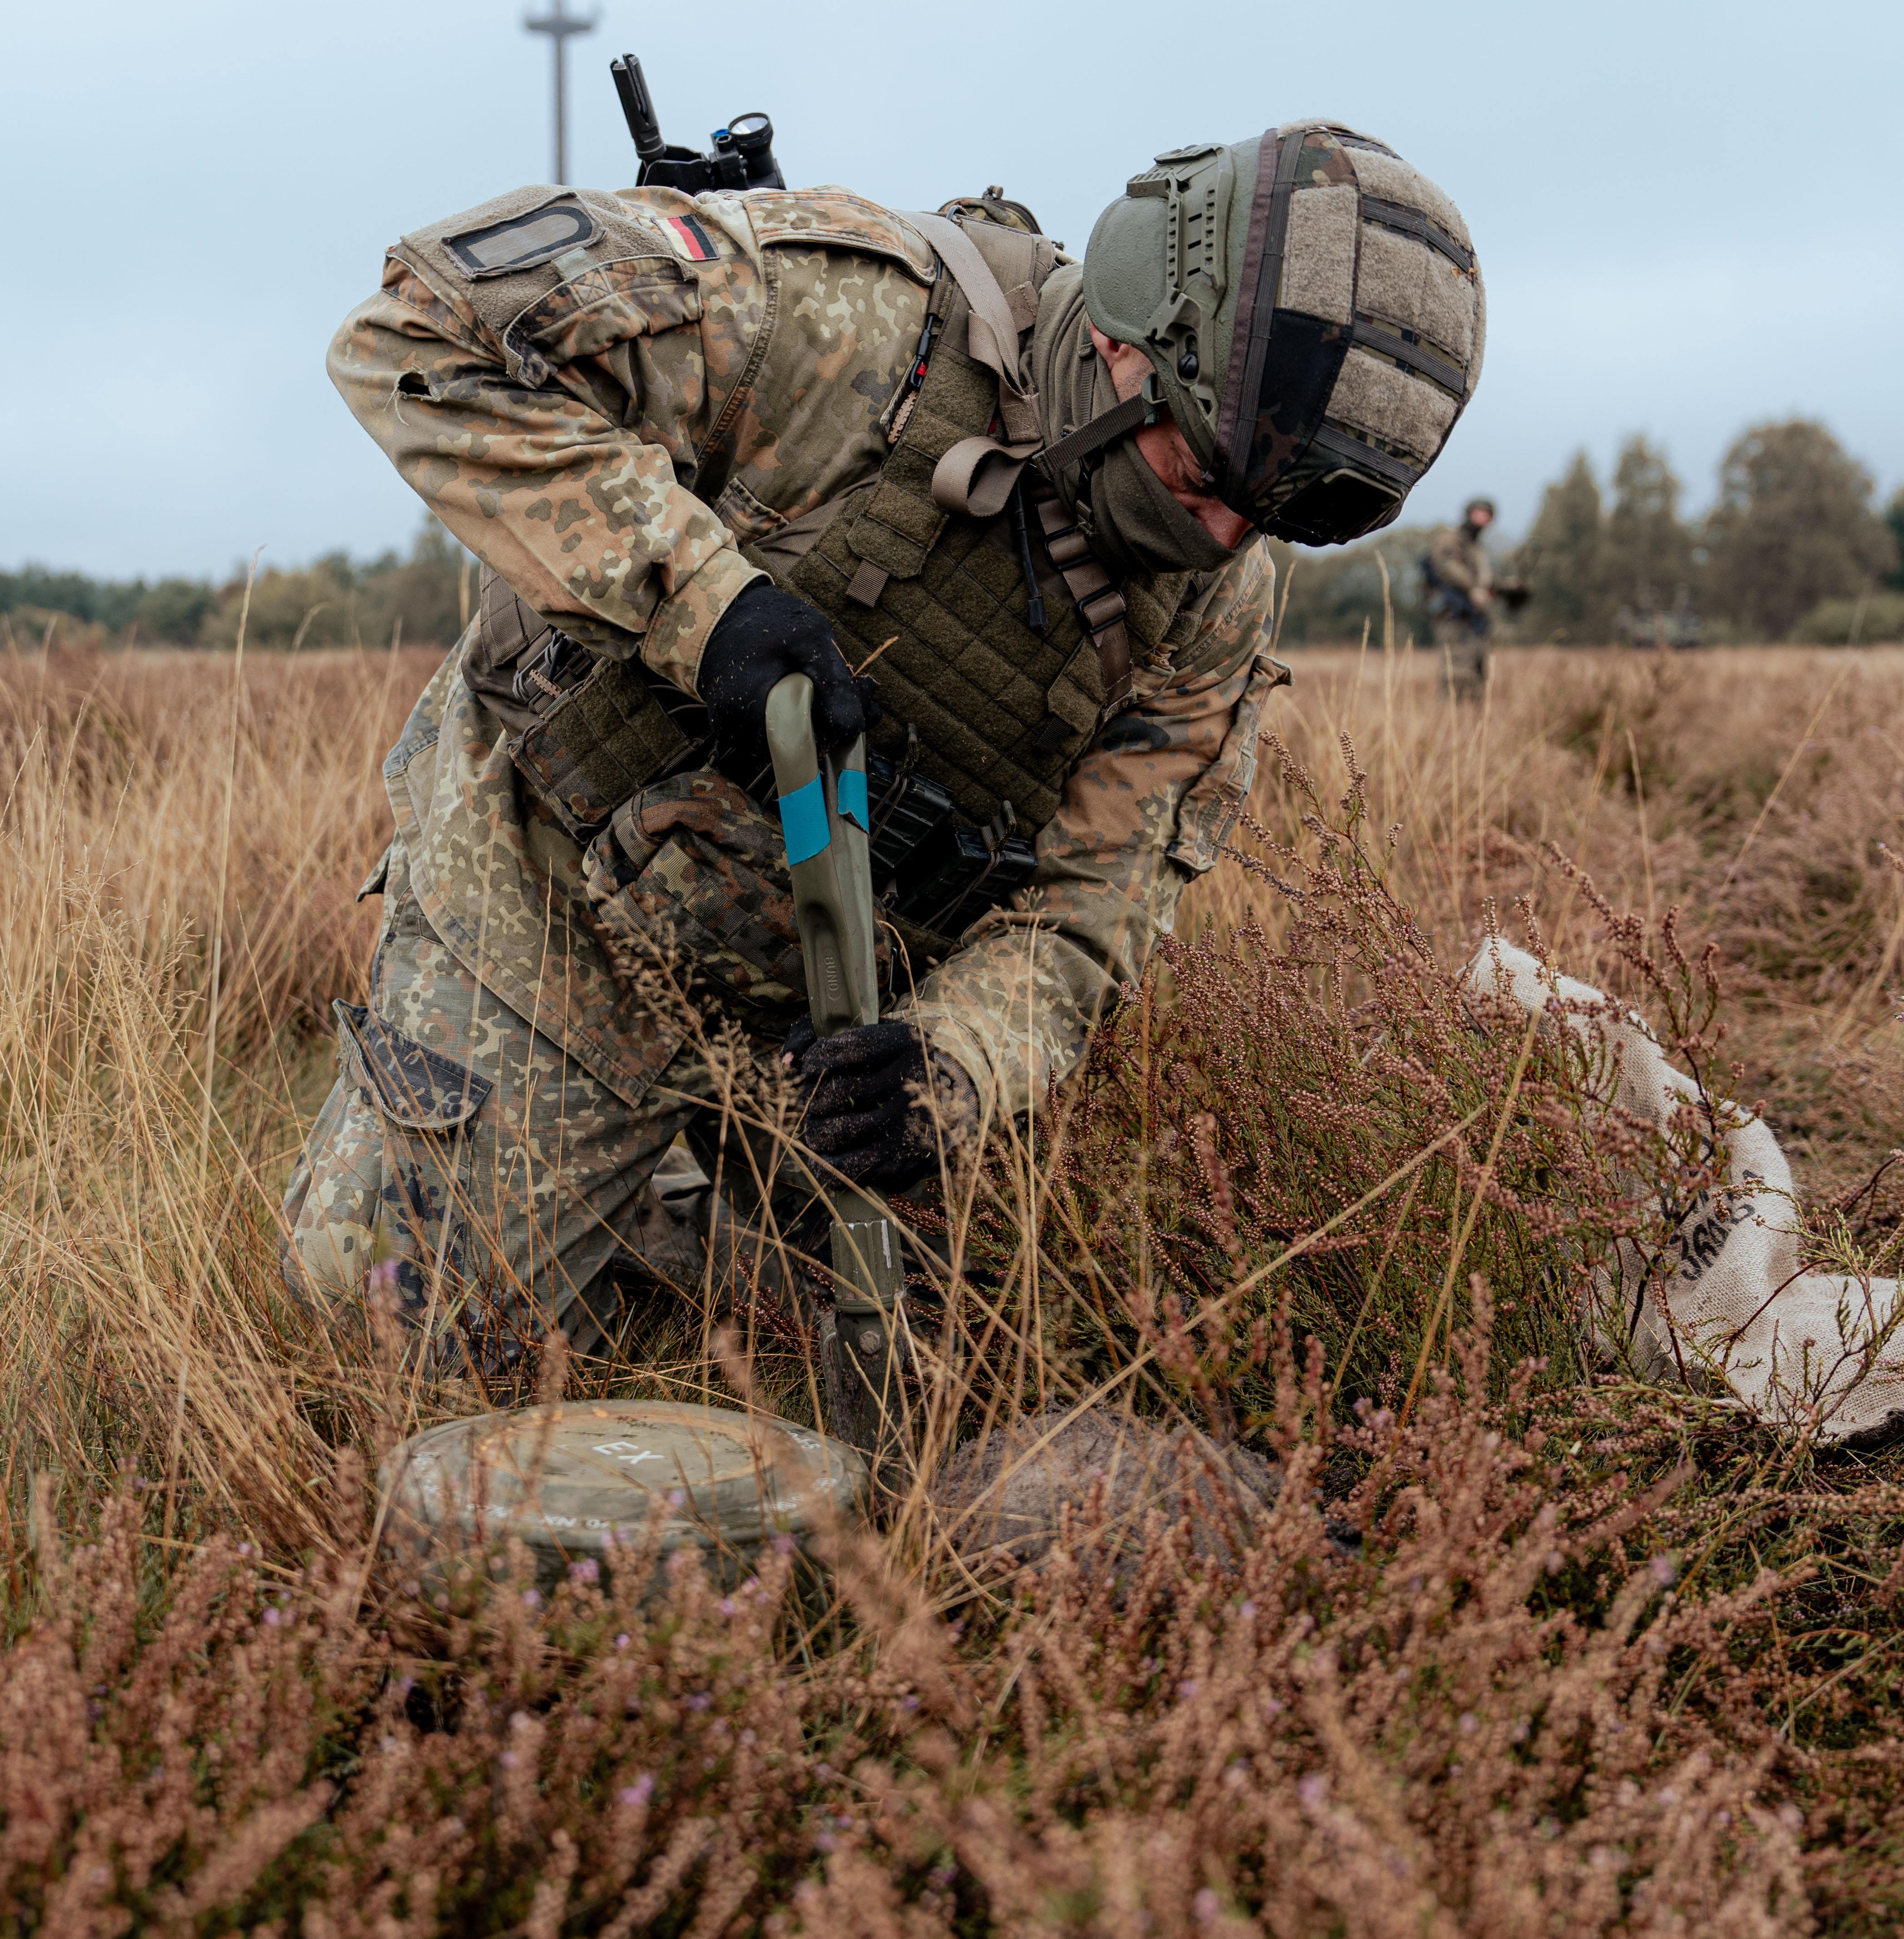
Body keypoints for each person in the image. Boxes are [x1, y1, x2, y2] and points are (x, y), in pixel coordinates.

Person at [283, 122, 1487, 1381]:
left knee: (965, 1361)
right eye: (1199, 479)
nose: (1225, 532)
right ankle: (601, 1153)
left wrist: (949, 1064)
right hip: (559, 880)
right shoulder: (835, 320)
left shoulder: (1210, 601)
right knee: (381, 1333)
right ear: (1126, 346)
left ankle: (663, 1188)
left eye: (1267, 518)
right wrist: (703, 604)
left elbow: (1089, 913)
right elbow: (414, 335)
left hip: (840, 998)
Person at [1423, 496, 1501, 701]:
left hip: (1474, 618)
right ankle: (1450, 720)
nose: (1482, 519)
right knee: (1455, 670)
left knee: (1477, 669)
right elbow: (1447, 567)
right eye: (1478, 513)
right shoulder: (1450, 540)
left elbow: (1486, 581)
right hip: (1453, 614)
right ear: (1468, 514)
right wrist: (1472, 588)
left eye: (1487, 515)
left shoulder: (1478, 549)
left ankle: (1471, 721)